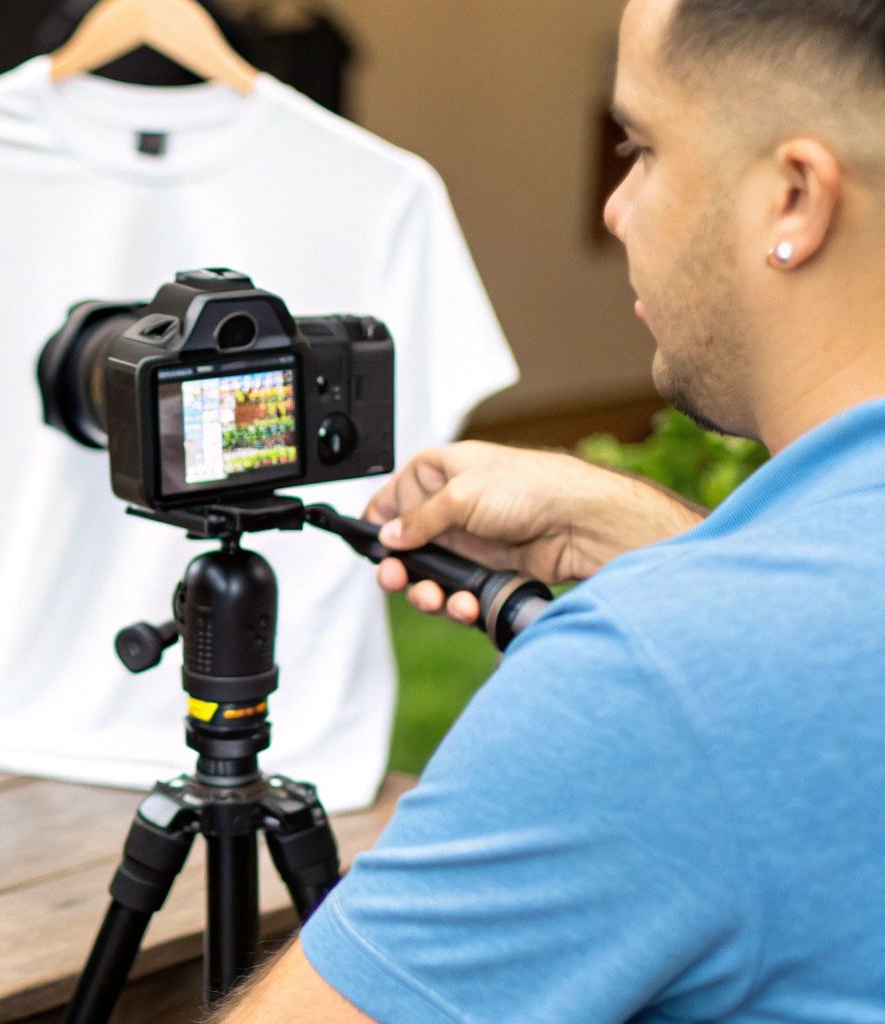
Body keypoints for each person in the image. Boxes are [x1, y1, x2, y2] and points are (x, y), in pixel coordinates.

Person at [216, 0, 885, 1020]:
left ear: (792, 196)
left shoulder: (650, 684)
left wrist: (669, 625)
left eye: (642, 146)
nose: (616, 206)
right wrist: (672, 550)